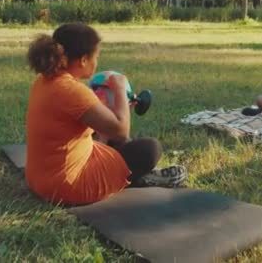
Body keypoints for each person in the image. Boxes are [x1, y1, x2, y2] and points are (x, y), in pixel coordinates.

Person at [26, 23, 184, 206]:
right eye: (96, 56)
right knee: (149, 149)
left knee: (114, 141)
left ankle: (133, 175)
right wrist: (119, 89)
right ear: (84, 59)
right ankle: (139, 178)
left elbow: (80, 124)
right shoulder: (72, 91)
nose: (97, 61)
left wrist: (116, 111)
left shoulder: (44, 81)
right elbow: (121, 130)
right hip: (67, 187)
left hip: (39, 179)